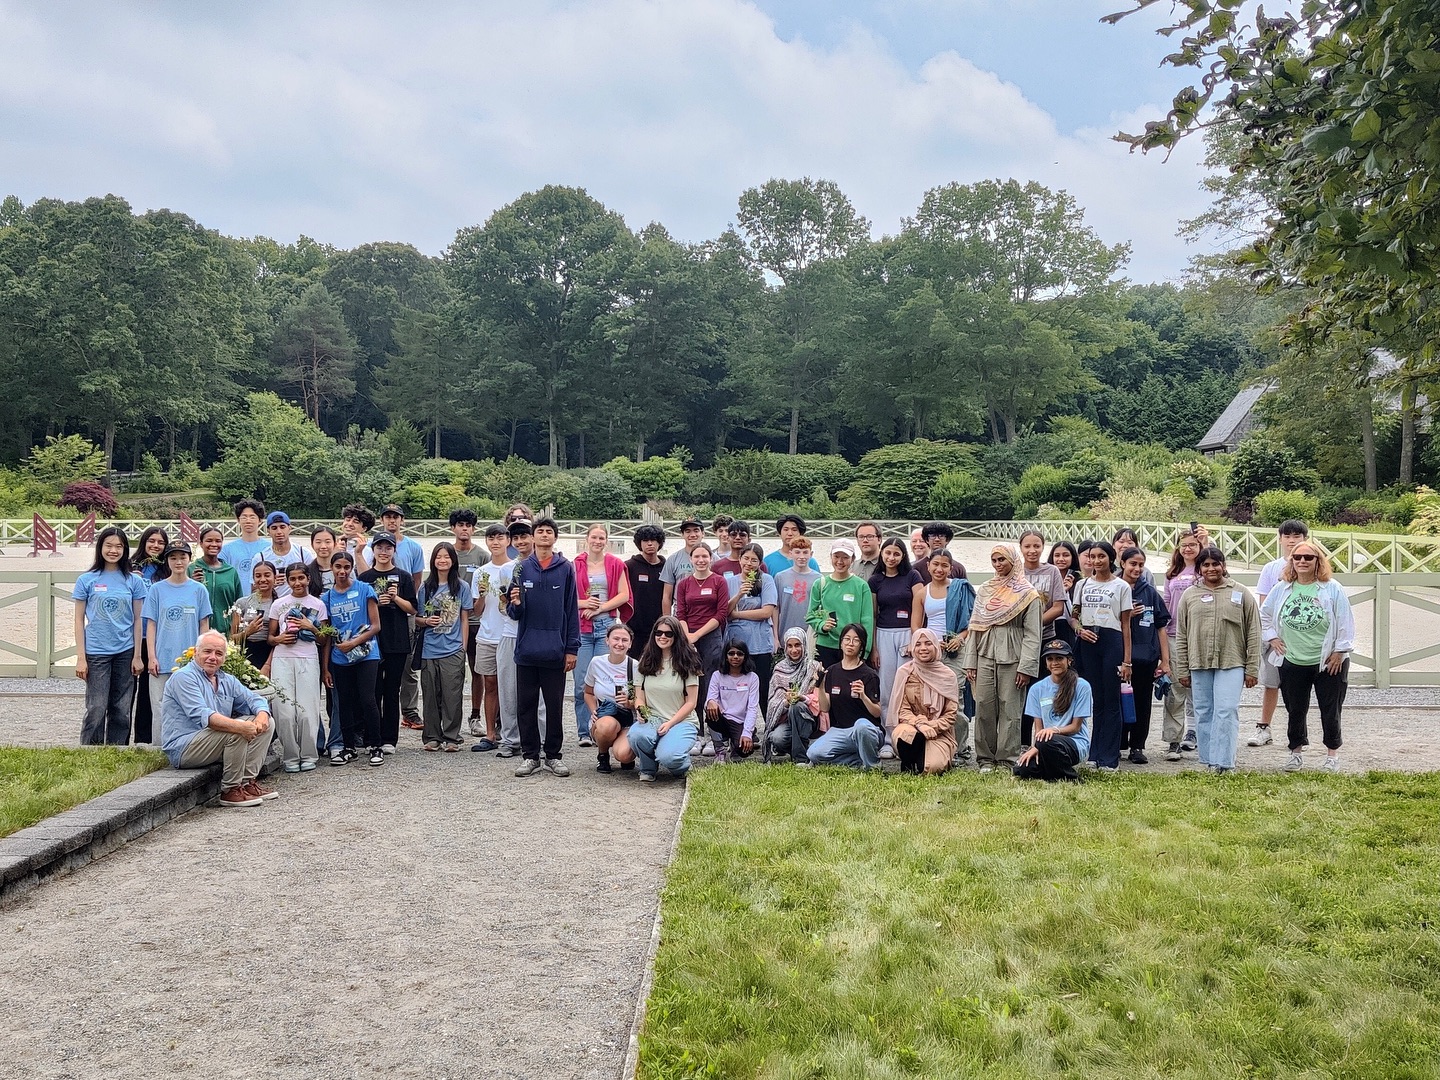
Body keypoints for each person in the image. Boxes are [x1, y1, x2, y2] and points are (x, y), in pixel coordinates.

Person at [1261, 540, 1353, 772]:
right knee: (1295, 709)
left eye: (1308, 557)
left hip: (1327, 661)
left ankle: (1332, 755)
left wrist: (1340, 651)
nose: (1302, 561)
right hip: (1292, 659)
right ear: (1291, 561)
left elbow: (1345, 620)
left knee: (1330, 709)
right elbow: (1264, 615)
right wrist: (1272, 638)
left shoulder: (1332, 588)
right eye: (1297, 557)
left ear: (1317, 561)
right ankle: (1296, 752)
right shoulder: (1282, 588)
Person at [161, 631, 276, 808]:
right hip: (184, 746)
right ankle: (230, 790)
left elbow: (254, 699)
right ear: (196, 652)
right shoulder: (184, 677)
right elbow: (203, 715)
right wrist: (241, 726)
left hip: (211, 740)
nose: (213, 657)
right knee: (237, 730)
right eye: (207, 651)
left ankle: (246, 783)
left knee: (267, 723)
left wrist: (262, 715)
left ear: (224, 658)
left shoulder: (226, 679)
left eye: (219, 653)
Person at [1173, 546, 1261, 773]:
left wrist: (1252, 668)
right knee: (1204, 711)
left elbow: (1254, 632)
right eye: (1206, 565)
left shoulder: (1241, 593)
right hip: (1199, 662)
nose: (1211, 569)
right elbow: (1182, 634)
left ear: (1223, 565)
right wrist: (1182, 669)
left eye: (1215, 564)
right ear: (1199, 568)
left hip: (1232, 661)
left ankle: (1225, 762)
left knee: (1227, 710)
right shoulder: (1189, 595)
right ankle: (1209, 761)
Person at [507, 517, 579, 777]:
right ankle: (530, 756)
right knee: (525, 705)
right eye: (540, 531)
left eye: (549, 531)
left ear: (555, 537)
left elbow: (571, 609)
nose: (544, 535)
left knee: (554, 706)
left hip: (555, 651)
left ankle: (553, 755)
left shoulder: (566, 568)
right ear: (533, 537)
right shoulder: (521, 568)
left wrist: (572, 648)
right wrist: (515, 604)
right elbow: (513, 612)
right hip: (527, 651)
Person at [961, 545, 1042, 773]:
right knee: (984, 706)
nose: (998, 564)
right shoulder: (986, 590)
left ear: (1013, 561)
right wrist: (970, 661)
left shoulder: (1028, 594)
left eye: (1002, 560)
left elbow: (1033, 634)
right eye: (994, 560)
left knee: (1010, 709)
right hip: (984, 654)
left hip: (1013, 656)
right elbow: (975, 626)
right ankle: (985, 758)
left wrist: (1026, 667)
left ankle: (1007, 759)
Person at [73, 527, 146, 745]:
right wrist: (81, 657)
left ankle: (117, 749)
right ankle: (90, 750)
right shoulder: (86, 580)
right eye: (109, 545)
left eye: (119, 546)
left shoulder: (133, 581)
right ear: (100, 547)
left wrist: (137, 656)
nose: (113, 551)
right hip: (96, 651)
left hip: (125, 650)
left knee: (121, 708)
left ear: (125, 550)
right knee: (96, 706)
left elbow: (138, 620)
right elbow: (78, 620)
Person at [1070, 540, 1132, 772]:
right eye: (1092, 556)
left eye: (1101, 556)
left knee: (1111, 700)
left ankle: (1110, 757)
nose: (1096, 561)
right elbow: (1073, 616)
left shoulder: (1121, 586)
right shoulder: (1082, 584)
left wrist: (1127, 661)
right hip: (1088, 642)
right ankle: (1094, 754)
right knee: (1095, 699)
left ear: (1111, 558)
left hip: (1111, 641)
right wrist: (1079, 630)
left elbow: (1126, 625)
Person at [1250, 519, 1311, 748]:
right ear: (1280, 539)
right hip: (1277, 639)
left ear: (1305, 539)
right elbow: (1264, 606)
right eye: (1287, 536)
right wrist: (1272, 636)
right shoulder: (1271, 568)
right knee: (1271, 683)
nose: (1292, 541)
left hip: (1303, 638)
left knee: (1299, 689)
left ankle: (1298, 733)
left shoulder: (1312, 564)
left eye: (1297, 536)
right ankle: (1264, 727)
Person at [142, 542, 214, 731]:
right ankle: (159, 745)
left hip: (190, 661)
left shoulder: (199, 590)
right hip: (162, 659)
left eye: (182, 557)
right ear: (167, 561)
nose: (178, 562)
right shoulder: (156, 589)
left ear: (190, 559)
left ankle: (191, 745)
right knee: (160, 708)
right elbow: (151, 624)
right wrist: (151, 657)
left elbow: (204, 625)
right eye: (173, 558)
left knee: (192, 707)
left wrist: (203, 656)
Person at [573, 523, 633, 748]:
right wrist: (584, 604)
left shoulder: (615, 564)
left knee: (605, 679)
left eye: (601, 538)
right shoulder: (576, 564)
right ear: (587, 539)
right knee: (581, 682)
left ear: (606, 541)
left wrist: (600, 608)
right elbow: (567, 597)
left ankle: (604, 726)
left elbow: (624, 595)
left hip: (606, 625)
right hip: (582, 627)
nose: (597, 541)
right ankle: (583, 731)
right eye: (594, 537)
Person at [320, 551, 382, 765]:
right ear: (332, 568)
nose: (342, 571)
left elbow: (376, 625)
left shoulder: (365, 589)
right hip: (340, 657)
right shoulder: (327, 598)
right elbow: (327, 637)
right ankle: (348, 747)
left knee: (367, 699)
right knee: (344, 701)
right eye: (338, 567)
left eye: (346, 567)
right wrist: (325, 668)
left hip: (366, 653)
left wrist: (354, 643)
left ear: (352, 568)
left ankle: (375, 745)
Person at [358, 533, 416, 756]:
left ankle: (390, 738)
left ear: (394, 550)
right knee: (372, 691)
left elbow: (413, 608)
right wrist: (376, 602)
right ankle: (372, 737)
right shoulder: (364, 577)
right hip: (371, 641)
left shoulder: (404, 576)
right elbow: (360, 609)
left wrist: (395, 598)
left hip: (397, 640)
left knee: (392, 690)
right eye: (379, 547)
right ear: (373, 550)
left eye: (388, 548)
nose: (384, 552)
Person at [266, 562, 327, 772]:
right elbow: (270, 638)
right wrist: (280, 639)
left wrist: (310, 627)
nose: (297, 582)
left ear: (308, 578)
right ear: (287, 581)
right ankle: (290, 756)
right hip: (282, 659)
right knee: (284, 711)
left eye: (301, 578)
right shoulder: (279, 604)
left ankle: (309, 754)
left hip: (308, 659)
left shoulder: (318, 604)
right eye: (292, 579)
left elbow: (323, 639)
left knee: (307, 710)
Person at [415, 541, 474, 753]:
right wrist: (425, 621)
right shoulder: (425, 587)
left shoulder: (462, 587)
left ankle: (451, 737)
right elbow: (417, 618)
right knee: (430, 695)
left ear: (453, 560)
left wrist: (463, 647)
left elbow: (465, 619)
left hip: (453, 648)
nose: (442, 560)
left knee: (452, 695)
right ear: (433, 561)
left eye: (447, 557)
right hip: (429, 648)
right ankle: (432, 736)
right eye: (439, 557)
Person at [629, 615, 703, 781]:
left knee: (668, 757)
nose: (662, 636)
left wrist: (670, 724)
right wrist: (640, 710)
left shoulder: (688, 662)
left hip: (681, 721)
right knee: (636, 735)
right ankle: (647, 768)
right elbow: (639, 697)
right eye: (658, 632)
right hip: (653, 718)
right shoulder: (645, 661)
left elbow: (691, 703)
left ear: (677, 636)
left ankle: (681, 766)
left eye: (668, 634)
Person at [1117, 547, 1170, 765]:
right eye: (1132, 564)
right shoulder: (1114, 587)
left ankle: (1137, 746)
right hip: (1119, 657)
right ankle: (1117, 743)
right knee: (1117, 701)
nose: (1137, 569)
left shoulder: (1149, 592)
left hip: (1145, 658)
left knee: (1142, 703)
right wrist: (1126, 615)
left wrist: (1165, 661)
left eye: (1140, 565)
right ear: (1122, 563)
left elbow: (1160, 627)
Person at [1013, 640, 1092, 783]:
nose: (1054, 663)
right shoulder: (1036, 689)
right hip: (1045, 742)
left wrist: (1053, 731)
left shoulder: (1082, 686)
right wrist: (1036, 748)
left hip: (1074, 743)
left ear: (1069, 661)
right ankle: (1054, 773)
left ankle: (1071, 778)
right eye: (1050, 659)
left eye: (1059, 658)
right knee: (1022, 769)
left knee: (1047, 741)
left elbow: (1075, 727)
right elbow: (1039, 729)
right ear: (1045, 663)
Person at [807, 623, 883, 769]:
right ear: (841, 643)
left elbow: (877, 712)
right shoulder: (832, 671)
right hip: (841, 730)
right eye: (847, 639)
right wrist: (820, 686)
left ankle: (872, 765)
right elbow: (824, 708)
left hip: (867, 730)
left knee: (861, 726)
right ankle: (857, 761)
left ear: (862, 646)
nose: (850, 643)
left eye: (856, 640)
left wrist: (863, 696)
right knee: (813, 754)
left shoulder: (869, 674)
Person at [380, 503, 426, 731]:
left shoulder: (413, 547)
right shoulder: (375, 546)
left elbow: (416, 579)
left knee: (408, 664)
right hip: (380, 610)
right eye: (388, 517)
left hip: (404, 610)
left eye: (396, 517)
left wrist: (407, 601)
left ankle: (409, 710)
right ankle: (379, 709)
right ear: (382, 520)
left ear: (402, 520)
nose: (392, 521)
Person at [928, 549, 977, 762]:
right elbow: (917, 626)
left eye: (944, 565)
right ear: (928, 566)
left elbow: (972, 621)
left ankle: (961, 748)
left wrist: (960, 638)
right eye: (935, 564)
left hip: (956, 650)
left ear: (951, 568)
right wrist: (930, 643)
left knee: (956, 699)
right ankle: (938, 744)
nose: (939, 569)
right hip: (931, 652)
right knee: (932, 699)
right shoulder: (922, 592)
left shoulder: (960, 588)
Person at [889, 628, 959, 775]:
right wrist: (920, 725)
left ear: (936, 646)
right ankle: (908, 764)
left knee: (932, 768)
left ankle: (923, 760)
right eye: (918, 644)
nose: (923, 648)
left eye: (928, 643)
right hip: (911, 726)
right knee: (904, 734)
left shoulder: (948, 676)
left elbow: (950, 715)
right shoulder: (905, 672)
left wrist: (931, 725)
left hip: (938, 733)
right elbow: (902, 710)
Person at [467, 524, 511, 751]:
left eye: (500, 538)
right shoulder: (480, 573)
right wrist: (482, 595)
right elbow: (476, 611)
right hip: (487, 635)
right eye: (491, 538)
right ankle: (491, 734)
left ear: (508, 541)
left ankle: (511, 734)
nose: (496, 542)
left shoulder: (516, 568)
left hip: (510, 635)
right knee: (490, 684)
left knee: (511, 686)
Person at [495, 519, 536, 758]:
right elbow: (502, 604)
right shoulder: (506, 569)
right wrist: (512, 605)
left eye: (524, 536)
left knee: (538, 693)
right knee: (508, 689)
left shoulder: (544, 565)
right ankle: (511, 739)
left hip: (536, 634)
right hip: (511, 632)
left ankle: (539, 739)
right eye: (516, 538)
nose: (521, 542)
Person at [868, 537, 924, 714]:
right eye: (888, 553)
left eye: (896, 554)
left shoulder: (913, 576)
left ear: (903, 556)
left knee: (908, 681)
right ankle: (887, 727)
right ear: (882, 554)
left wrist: (916, 640)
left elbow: (921, 608)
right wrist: (873, 648)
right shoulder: (875, 580)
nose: (891, 558)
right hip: (883, 634)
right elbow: (873, 615)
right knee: (886, 684)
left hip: (907, 633)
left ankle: (908, 724)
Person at [1162, 529, 1203, 759]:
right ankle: (1173, 740)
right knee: (1175, 689)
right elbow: (1167, 602)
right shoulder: (1173, 573)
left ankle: (1196, 732)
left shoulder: (1205, 568)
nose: (1188, 548)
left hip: (1198, 634)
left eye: (1192, 544)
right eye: (1184, 545)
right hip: (1174, 634)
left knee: (1198, 688)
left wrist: (1207, 542)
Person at [675, 542, 729, 716]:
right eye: (696, 556)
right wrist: (688, 636)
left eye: (704, 556)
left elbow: (721, 614)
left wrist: (697, 635)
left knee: (711, 678)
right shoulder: (684, 584)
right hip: (688, 636)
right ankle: (695, 723)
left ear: (711, 558)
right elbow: (681, 614)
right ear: (690, 559)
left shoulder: (719, 581)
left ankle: (714, 723)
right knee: (691, 678)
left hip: (711, 635)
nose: (701, 560)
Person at [806, 538, 874, 668]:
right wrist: (822, 625)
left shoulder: (861, 586)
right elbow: (810, 615)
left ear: (853, 559)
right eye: (836, 556)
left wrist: (864, 652)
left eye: (845, 557)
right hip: (824, 646)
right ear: (830, 557)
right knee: (823, 680)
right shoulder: (820, 584)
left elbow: (867, 620)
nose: (840, 561)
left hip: (852, 648)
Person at [130, 525, 170, 745]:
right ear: (143, 542)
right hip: (133, 636)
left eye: (161, 542)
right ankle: (120, 739)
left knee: (148, 691)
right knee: (127, 691)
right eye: (151, 541)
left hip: (155, 637)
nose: (156, 546)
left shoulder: (166, 570)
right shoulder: (130, 566)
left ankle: (144, 739)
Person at [723, 543, 778, 703]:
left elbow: (766, 612)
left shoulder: (766, 580)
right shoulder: (729, 582)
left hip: (760, 643)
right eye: (746, 558)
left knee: (762, 688)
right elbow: (725, 612)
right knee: (737, 688)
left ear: (760, 563)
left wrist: (737, 614)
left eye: (754, 560)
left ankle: (766, 718)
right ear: (740, 559)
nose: (749, 563)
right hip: (736, 643)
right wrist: (739, 594)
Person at [585, 622, 639, 773]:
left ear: (630, 644)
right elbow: (588, 692)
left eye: (624, 640)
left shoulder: (635, 666)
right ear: (607, 640)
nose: (619, 644)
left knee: (624, 756)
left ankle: (626, 750)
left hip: (628, 718)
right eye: (616, 639)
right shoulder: (596, 663)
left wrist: (630, 703)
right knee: (606, 726)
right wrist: (594, 710)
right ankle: (602, 755)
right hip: (605, 716)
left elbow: (644, 699)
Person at [765, 628, 824, 764]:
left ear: (804, 645)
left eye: (797, 645)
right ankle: (802, 748)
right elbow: (773, 702)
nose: (794, 650)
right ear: (785, 648)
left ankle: (800, 758)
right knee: (777, 738)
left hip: (809, 719)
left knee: (797, 706)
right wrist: (785, 702)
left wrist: (802, 698)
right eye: (790, 646)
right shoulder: (779, 668)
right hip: (787, 720)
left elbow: (820, 699)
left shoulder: (813, 667)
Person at [189, 526, 242, 635]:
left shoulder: (231, 572)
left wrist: (233, 633)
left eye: (218, 541)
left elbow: (238, 605)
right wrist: (192, 584)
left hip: (225, 633)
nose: (214, 544)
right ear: (201, 543)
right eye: (209, 540)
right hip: (196, 632)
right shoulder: (191, 569)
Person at [625, 525, 667, 654]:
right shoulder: (629, 566)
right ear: (639, 543)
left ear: (659, 542)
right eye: (645, 540)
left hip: (659, 629)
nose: (649, 543)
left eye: (653, 540)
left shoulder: (666, 567)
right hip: (634, 628)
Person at [231, 561, 278, 669]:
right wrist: (247, 632)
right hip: (244, 653)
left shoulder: (278, 604)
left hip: (268, 653)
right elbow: (232, 638)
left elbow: (277, 639)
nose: (263, 579)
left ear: (275, 578)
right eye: (258, 576)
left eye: (267, 575)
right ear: (253, 579)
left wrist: (268, 665)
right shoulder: (242, 603)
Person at [773, 536, 820, 642]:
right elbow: (775, 608)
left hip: (809, 636)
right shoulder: (780, 577)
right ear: (791, 554)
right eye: (797, 552)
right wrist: (775, 636)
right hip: (784, 634)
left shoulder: (818, 579)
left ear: (811, 554)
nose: (801, 556)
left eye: (805, 552)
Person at [220, 499, 271, 587]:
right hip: (236, 595)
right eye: (244, 517)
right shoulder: (226, 550)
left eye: (252, 517)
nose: (248, 521)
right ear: (238, 520)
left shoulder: (269, 548)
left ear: (260, 520)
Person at [660, 517, 705, 615]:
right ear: (682, 535)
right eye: (688, 531)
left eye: (696, 530)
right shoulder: (673, 560)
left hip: (707, 615)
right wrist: (667, 620)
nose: (692, 535)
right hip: (680, 614)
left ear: (703, 533)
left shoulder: (714, 559)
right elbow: (667, 596)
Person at [1046, 540, 1081, 651]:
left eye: (1065, 555)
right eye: (1057, 555)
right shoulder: (1046, 579)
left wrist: (1065, 593)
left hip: (1069, 628)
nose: (1061, 559)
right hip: (1048, 627)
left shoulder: (1079, 581)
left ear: (1073, 557)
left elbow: (1074, 614)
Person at [340, 503, 377, 572]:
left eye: (356, 522)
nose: (350, 524)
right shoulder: (333, 546)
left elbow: (366, 576)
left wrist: (359, 553)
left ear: (364, 528)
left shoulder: (369, 552)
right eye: (347, 520)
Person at [305, 526, 339, 595]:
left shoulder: (344, 569)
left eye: (327, 542)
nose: (323, 546)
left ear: (335, 544)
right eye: (318, 542)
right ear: (312, 545)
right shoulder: (306, 572)